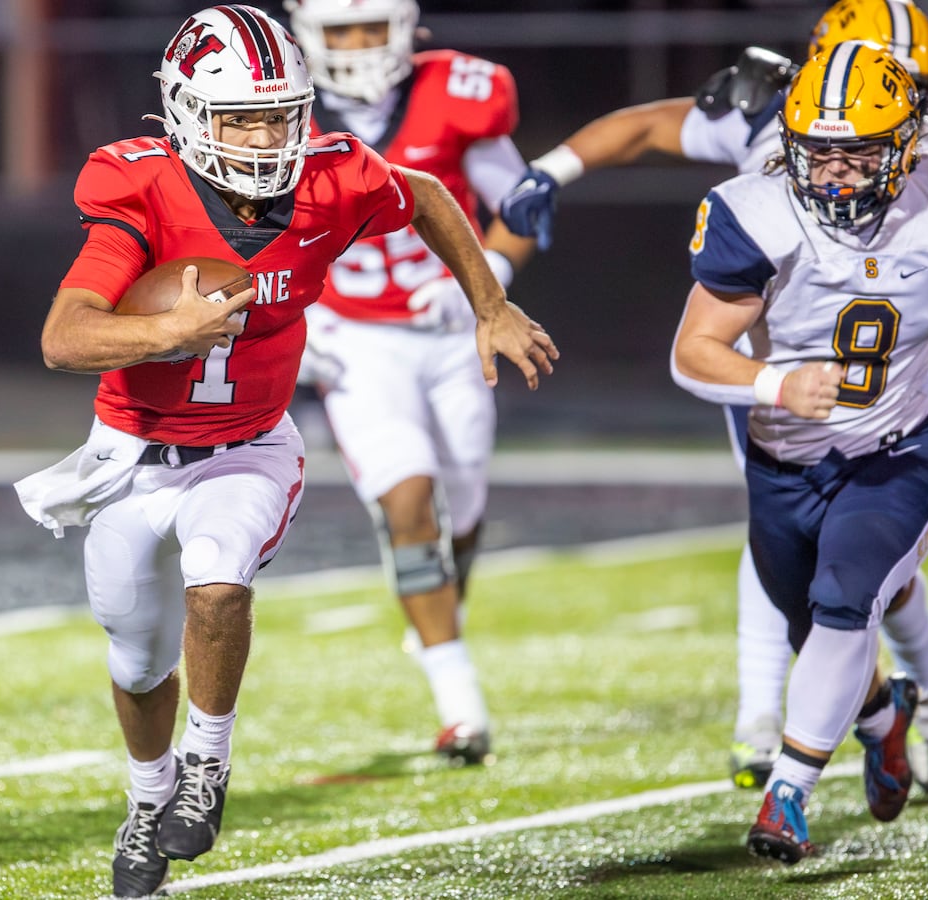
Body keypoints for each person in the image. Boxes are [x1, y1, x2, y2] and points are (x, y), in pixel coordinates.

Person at [13, 7, 557, 897]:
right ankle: (148, 797)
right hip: (130, 455)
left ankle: (208, 761)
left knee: (221, 578)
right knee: (137, 661)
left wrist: (489, 304)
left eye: (278, 114)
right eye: (239, 118)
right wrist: (164, 332)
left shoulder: (331, 180)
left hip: (250, 447)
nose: (265, 136)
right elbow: (63, 338)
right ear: (189, 114)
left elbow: (422, 194)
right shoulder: (140, 188)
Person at [501, 0, 928, 794]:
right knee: (787, 542)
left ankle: (920, 684)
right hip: (762, 367)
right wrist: (550, 168)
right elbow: (647, 125)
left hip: (875, 372)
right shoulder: (764, 107)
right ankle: (768, 711)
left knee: (870, 557)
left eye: (905, 89)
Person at [670, 43, 928, 862]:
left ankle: (789, 796)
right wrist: (774, 385)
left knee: (844, 600)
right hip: (783, 465)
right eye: (818, 151)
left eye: (858, 151)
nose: (836, 172)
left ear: (907, 142)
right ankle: (886, 719)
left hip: (894, 454)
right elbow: (692, 351)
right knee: (811, 625)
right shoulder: (755, 209)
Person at [284, 0, 536, 764]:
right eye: (339, 31)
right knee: (408, 498)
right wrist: (284, 323)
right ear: (306, 37)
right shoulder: (273, 109)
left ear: (403, 27)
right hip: (353, 336)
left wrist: (485, 275)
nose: (358, 46)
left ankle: (437, 616)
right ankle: (461, 705)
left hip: (451, 331)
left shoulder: (458, 92)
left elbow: (524, 202)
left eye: (370, 27)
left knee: (463, 502)